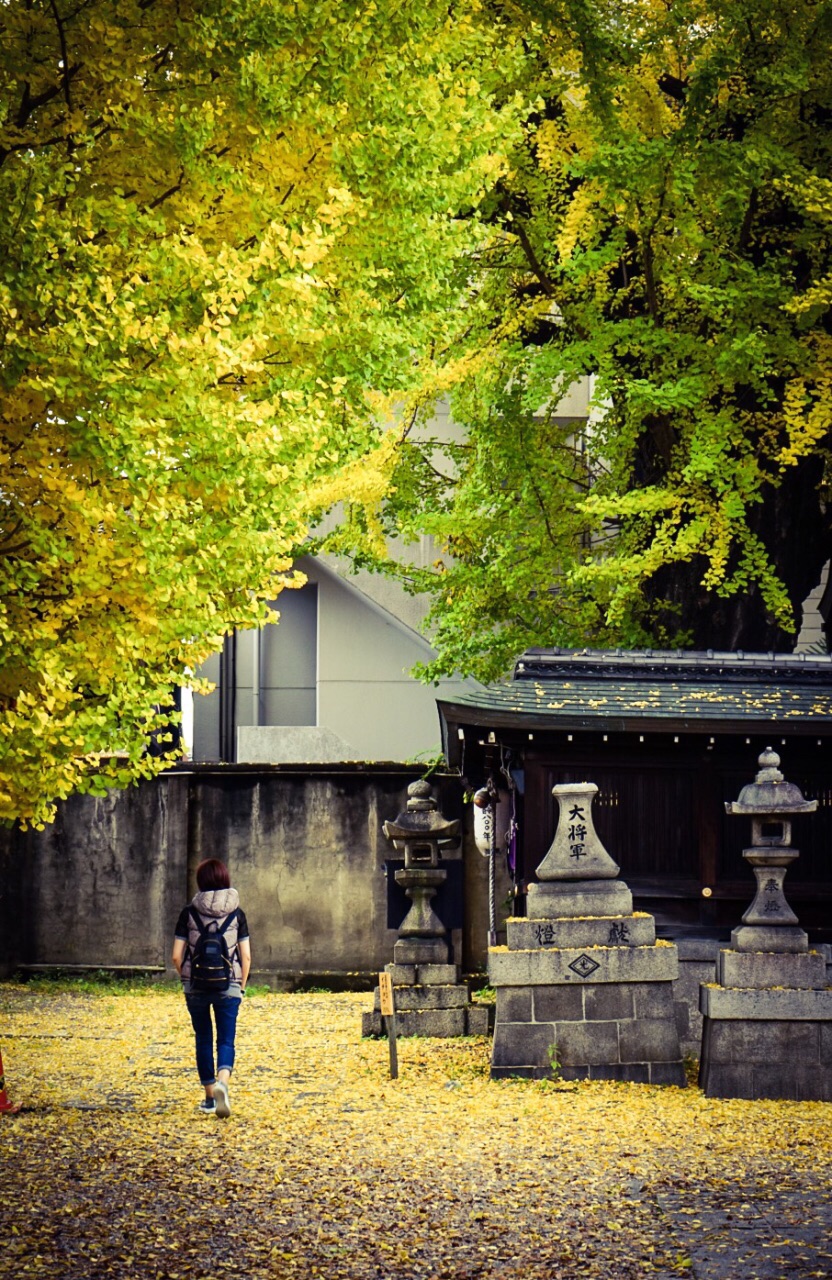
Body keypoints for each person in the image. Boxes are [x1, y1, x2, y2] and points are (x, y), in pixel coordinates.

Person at [172, 858, 251, 1118]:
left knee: (203, 1038)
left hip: (195, 986)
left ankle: (208, 1098)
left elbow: (176, 955)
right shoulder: (237, 914)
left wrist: (186, 979)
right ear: (225, 878)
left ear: (201, 881)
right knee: (226, 1039)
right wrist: (241, 986)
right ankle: (223, 1084)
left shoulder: (188, 912)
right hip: (229, 986)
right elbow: (246, 956)